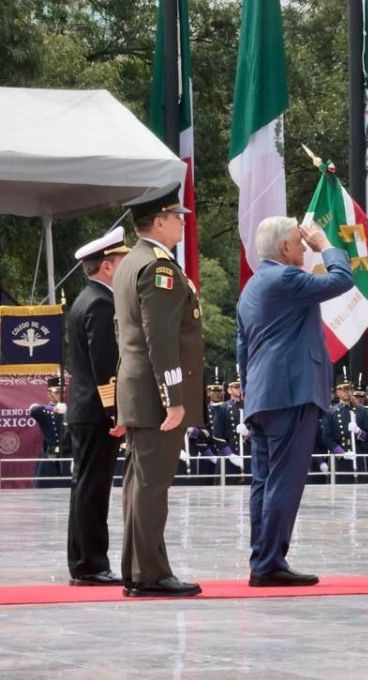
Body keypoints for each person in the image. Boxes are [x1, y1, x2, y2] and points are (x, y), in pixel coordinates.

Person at [237, 215, 355, 586]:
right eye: (298, 241)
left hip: (263, 394)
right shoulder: (285, 278)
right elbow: (343, 280)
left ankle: (263, 559)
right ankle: (269, 564)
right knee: (284, 481)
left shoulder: (253, 286)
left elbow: (243, 350)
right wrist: (326, 245)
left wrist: (250, 394)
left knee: (265, 481)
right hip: (290, 393)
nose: (304, 246)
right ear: (284, 248)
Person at [112, 183, 204, 597]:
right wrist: (174, 399)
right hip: (155, 395)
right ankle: (150, 574)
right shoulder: (159, 267)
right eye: (177, 217)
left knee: (139, 483)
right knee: (151, 486)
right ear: (160, 221)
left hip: (137, 389)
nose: (182, 223)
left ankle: (137, 569)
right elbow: (159, 338)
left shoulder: (132, 261)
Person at [64, 225, 129, 586]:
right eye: (122, 260)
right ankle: (91, 565)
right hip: (97, 412)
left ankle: (84, 562)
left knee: (84, 487)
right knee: (93, 490)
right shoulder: (102, 304)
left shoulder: (85, 299)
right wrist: (116, 412)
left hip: (86, 410)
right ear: (107, 266)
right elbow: (106, 367)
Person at [29, 378, 70, 488]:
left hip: (68, 456)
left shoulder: (70, 411)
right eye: (57, 392)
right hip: (50, 457)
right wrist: (53, 409)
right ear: (49, 394)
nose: (61, 395)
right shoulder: (45, 412)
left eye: (63, 392)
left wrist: (67, 410)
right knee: (45, 491)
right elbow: (33, 410)